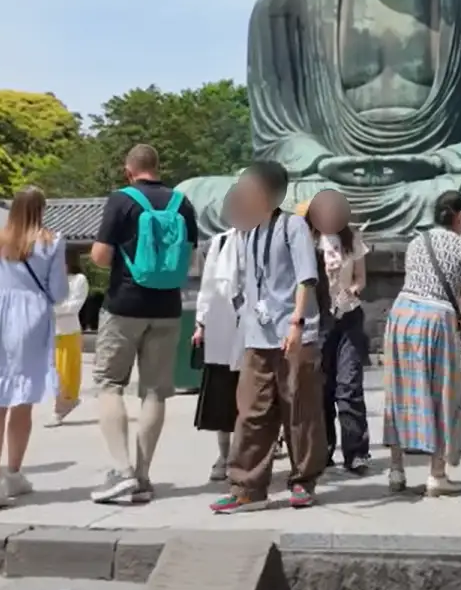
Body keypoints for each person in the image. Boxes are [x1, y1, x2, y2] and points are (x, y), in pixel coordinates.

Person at [210, 160, 327, 513]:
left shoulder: (293, 226)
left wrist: (296, 322)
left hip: (293, 332)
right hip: (257, 334)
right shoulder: (248, 230)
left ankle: (304, 480)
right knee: (251, 410)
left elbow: (307, 278)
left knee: (299, 409)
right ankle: (247, 485)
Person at [89, 144, 200, 504]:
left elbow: (101, 257)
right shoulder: (181, 203)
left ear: (129, 170)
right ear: (157, 166)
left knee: (110, 384)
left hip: (124, 306)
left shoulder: (121, 200)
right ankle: (142, 474)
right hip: (168, 307)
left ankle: (121, 472)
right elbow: (191, 255)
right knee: (155, 392)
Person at [0, 186, 67, 509]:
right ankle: (14, 472)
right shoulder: (52, 242)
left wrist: (0, 298)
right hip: (32, 318)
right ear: (42, 208)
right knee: (22, 399)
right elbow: (58, 291)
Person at [379, 189, 461, 499]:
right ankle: (437, 473)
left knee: (399, 390)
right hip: (436, 319)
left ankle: (396, 469)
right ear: (459, 215)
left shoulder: (415, 243)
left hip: (402, 314)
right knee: (442, 393)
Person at [307, 189, 372, 475]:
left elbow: (361, 278)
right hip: (319, 319)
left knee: (349, 386)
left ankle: (356, 452)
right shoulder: (306, 241)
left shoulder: (352, 239)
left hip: (348, 316)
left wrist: (352, 291)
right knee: (321, 388)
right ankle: (323, 450)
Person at [194, 187, 248, 481]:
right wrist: (200, 322)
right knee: (222, 394)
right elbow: (209, 284)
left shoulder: (263, 238)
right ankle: (224, 453)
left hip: (254, 328)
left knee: (251, 394)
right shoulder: (220, 242)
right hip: (222, 325)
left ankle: (246, 452)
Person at [49, 250, 90, 427]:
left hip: (68, 331)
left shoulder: (79, 280)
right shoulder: (50, 281)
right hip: (50, 332)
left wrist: (52, 310)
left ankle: (62, 406)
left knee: (65, 372)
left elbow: (74, 306)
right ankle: (62, 404)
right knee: (52, 373)